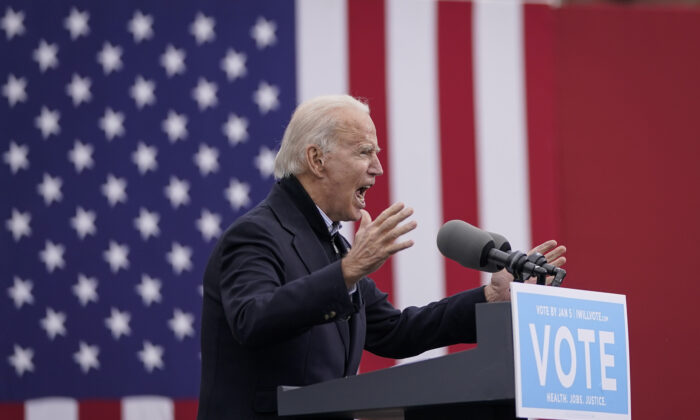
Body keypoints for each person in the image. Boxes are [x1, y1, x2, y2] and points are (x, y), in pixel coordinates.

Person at [197, 95, 566, 419]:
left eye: (376, 153)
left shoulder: (332, 246)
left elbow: (395, 331)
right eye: (364, 152)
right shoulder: (256, 235)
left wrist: (489, 299)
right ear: (316, 159)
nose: (378, 167)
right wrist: (348, 271)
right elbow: (252, 318)